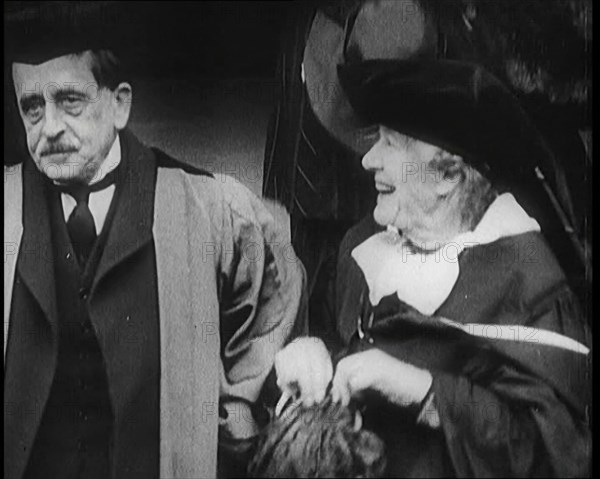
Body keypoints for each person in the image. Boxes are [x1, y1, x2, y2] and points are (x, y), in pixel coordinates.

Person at [4, 10, 306, 479]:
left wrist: (236, 409)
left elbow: (271, 300)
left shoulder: (207, 207)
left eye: (69, 100)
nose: (50, 128)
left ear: (120, 103)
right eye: (32, 107)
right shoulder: (4, 209)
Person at [274, 59, 591, 477]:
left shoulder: (531, 289)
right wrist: (310, 354)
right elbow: (337, 343)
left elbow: (554, 457)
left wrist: (424, 391)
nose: (369, 159)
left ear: (448, 174)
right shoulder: (361, 252)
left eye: (392, 144)